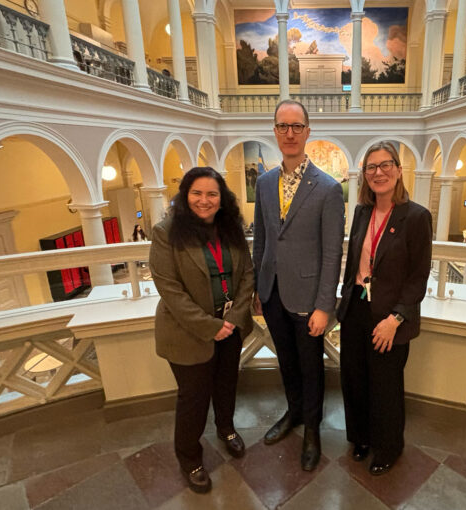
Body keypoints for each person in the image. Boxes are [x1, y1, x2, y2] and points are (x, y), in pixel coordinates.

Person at [149, 167, 254, 494]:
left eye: (212, 194)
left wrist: (233, 319)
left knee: (226, 384)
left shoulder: (230, 228)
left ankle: (226, 429)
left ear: (222, 199)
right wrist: (210, 327)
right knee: (193, 399)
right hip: (188, 332)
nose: (204, 201)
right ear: (185, 195)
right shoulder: (166, 232)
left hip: (230, 327)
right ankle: (190, 457)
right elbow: (170, 289)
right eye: (197, 193)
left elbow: (247, 274)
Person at [253, 100, 345, 471]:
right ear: (275, 131)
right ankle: (292, 414)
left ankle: (312, 430)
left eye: (296, 126)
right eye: (282, 126)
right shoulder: (263, 182)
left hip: (309, 299)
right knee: (286, 362)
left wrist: (325, 305)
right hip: (273, 293)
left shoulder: (328, 189)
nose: (289, 133)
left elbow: (332, 253)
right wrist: (259, 290)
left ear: (308, 131)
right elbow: (262, 240)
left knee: (311, 367)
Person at [336, 141, 433, 476]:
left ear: (399, 169)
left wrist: (396, 318)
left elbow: (419, 276)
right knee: (354, 379)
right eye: (371, 167)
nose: (378, 173)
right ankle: (360, 438)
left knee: (385, 386)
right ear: (364, 175)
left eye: (385, 165)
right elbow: (356, 263)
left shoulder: (417, 217)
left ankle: (389, 447)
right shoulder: (362, 211)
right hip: (356, 310)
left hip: (389, 316)